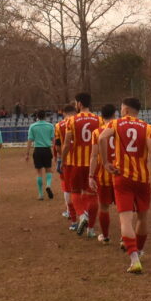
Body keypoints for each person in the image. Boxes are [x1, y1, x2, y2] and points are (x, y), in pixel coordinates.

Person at [98, 97, 151, 274]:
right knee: (142, 218)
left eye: (121, 108)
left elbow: (101, 139)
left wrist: (105, 163)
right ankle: (140, 250)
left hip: (122, 177)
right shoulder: (148, 127)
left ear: (125, 110)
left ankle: (134, 258)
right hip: (142, 179)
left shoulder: (116, 124)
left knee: (125, 219)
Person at [60, 93, 101, 235]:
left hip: (76, 162)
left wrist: (62, 159)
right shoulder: (99, 120)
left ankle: (82, 215)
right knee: (93, 194)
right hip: (94, 163)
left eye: (76, 103)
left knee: (75, 192)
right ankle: (91, 229)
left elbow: (66, 144)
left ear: (80, 104)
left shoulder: (72, 120)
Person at [87, 103, 119, 242]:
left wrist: (90, 176)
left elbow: (94, 156)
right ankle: (125, 238)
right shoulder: (121, 129)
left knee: (104, 207)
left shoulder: (97, 132)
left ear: (101, 116)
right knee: (124, 208)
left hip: (104, 174)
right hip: (120, 173)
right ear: (115, 115)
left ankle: (105, 236)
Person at [26, 111, 57, 199]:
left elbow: (30, 140)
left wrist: (27, 153)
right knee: (48, 170)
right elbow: (53, 140)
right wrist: (55, 152)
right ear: (45, 116)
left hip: (38, 150)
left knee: (39, 173)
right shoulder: (50, 126)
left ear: (37, 116)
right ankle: (48, 185)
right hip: (47, 150)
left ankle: (40, 194)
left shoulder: (33, 126)